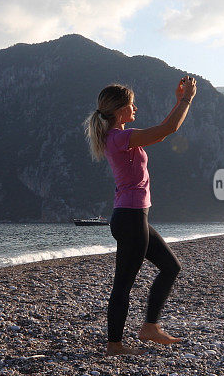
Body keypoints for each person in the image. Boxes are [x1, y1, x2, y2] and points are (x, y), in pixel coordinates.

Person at [83, 77, 196, 355]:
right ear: (120, 110)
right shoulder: (118, 137)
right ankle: (115, 345)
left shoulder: (119, 137)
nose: (136, 108)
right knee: (123, 283)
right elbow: (167, 129)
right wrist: (186, 99)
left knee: (171, 267)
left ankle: (150, 327)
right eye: (132, 105)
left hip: (134, 216)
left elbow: (161, 131)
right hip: (130, 218)